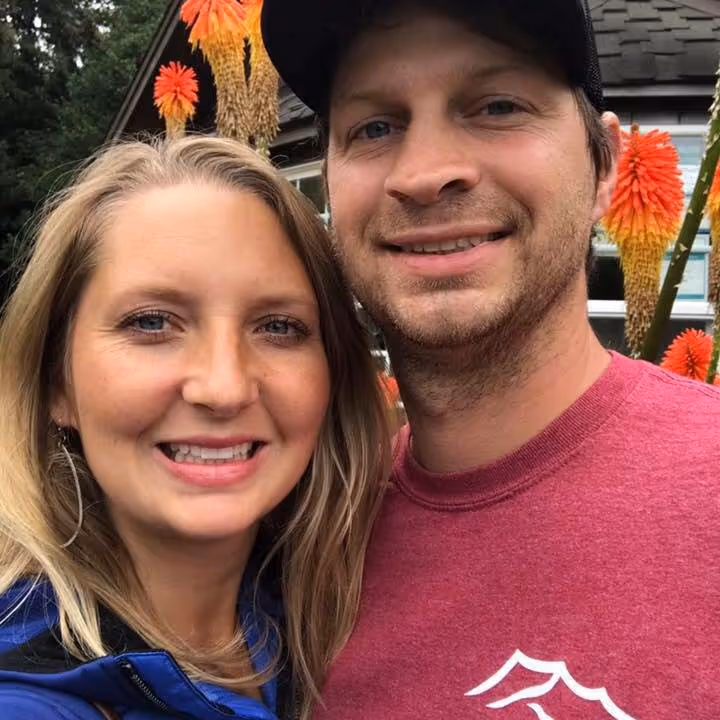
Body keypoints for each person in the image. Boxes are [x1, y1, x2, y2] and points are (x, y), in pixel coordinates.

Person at [261, 0, 720, 717]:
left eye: (497, 106)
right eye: (374, 127)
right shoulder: (296, 542)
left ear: (606, 166)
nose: (425, 173)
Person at [0, 136, 390, 719]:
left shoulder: (320, 606)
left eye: (279, 327)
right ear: (57, 380)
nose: (225, 387)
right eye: (153, 322)